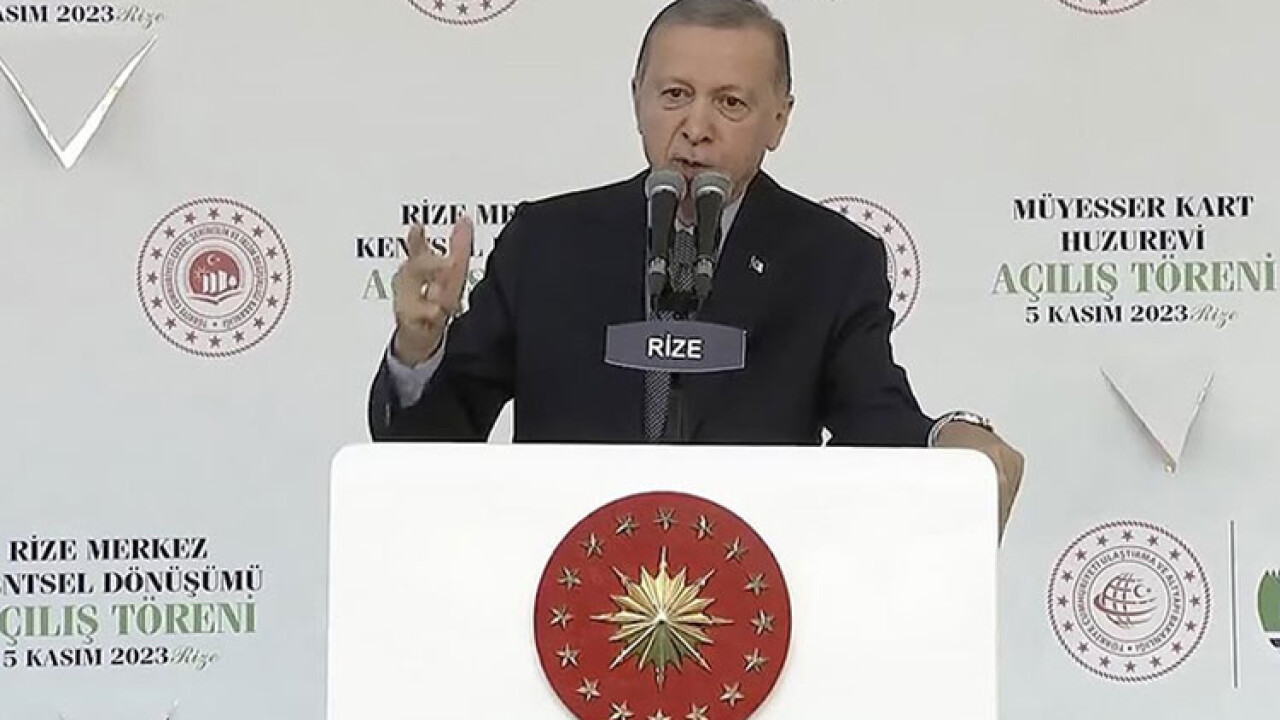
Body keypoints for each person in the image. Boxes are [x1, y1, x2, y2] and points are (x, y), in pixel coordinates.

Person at [367, 0, 1024, 535]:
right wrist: (418, 351)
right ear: (637, 99)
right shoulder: (545, 242)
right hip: (566, 584)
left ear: (779, 120)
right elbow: (433, 444)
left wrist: (948, 440)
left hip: (752, 594)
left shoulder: (831, 259)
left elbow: (874, 420)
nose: (696, 126)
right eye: (675, 94)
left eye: (731, 103)